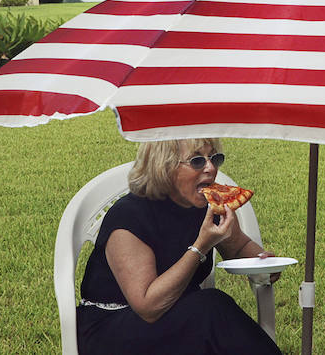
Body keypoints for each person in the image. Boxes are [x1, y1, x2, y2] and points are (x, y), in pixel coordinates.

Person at [76, 138, 282, 355]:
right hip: (113, 329)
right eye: (196, 161)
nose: (211, 168)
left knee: (209, 311)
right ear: (163, 166)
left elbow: (238, 246)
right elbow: (148, 307)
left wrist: (263, 262)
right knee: (211, 309)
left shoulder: (207, 205)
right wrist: (201, 246)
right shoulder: (129, 217)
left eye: (215, 158)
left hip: (180, 315)